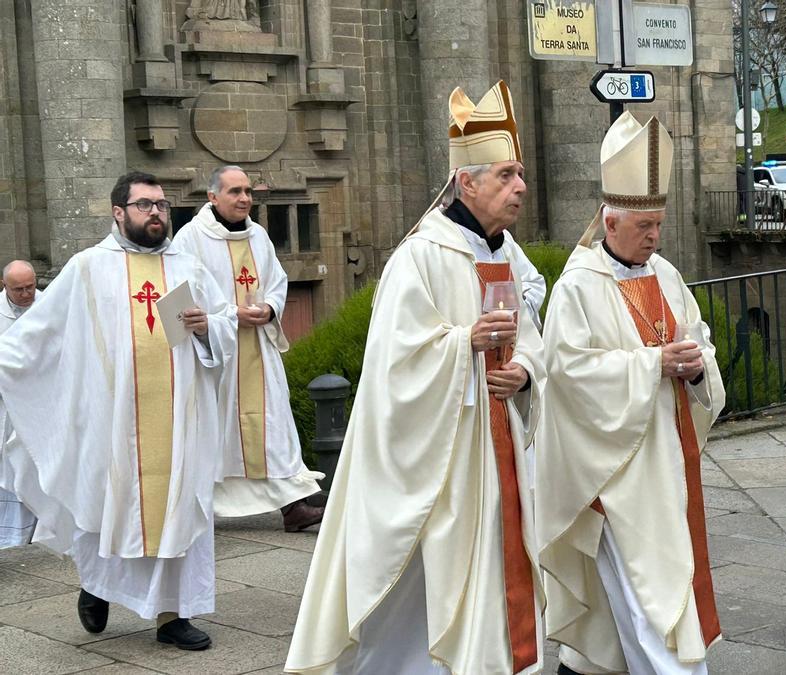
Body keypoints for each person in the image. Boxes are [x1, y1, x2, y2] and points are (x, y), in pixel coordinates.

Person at [285, 81, 546, 675]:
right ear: (467, 184)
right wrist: (463, 344)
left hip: (497, 444)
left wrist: (525, 371)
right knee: (420, 574)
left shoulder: (505, 253)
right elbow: (394, 361)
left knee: (494, 566)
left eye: (520, 175)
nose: (520, 188)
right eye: (507, 175)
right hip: (439, 452)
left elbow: (529, 333)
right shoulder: (420, 255)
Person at [0, 171, 237, 650]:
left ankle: (173, 616)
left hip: (179, 420)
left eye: (162, 205)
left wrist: (207, 327)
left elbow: (224, 322)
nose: (156, 213)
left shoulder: (186, 265)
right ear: (118, 212)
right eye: (144, 204)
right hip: (112, 420)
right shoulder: (89, 267)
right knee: (105, 502)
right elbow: (39, 333)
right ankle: (98, 584)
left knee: (178, 511)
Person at [537, 111, 726, 675]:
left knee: (657, 573)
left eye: (659, 224)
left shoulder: (666, 275)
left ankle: (588, 664)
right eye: (644, 225)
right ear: (610, 221)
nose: (654, 237)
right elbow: (566, 371)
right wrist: (651, 366)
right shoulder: (578, 285)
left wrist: (696, 368)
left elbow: (699, 339)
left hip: (669, 455)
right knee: (648, 581)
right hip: (615, 466)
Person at [172, 166, 325, 532]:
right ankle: (195, 508)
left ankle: (293, 505)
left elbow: (277, 281)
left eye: (248, 191)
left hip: (257, 346)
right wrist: (228, 315)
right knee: (214, 429)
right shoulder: (190, 239)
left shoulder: (258, 236)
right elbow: (178, 295)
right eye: (235, 192)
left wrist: (270, 308)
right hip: (215, 353)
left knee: (273, 424)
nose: (244, 199)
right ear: (212, 197)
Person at [0, 259, 39, 548]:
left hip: (39, 407)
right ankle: (11, 538)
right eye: (19, 289)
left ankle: (39, 534)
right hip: (6, 408)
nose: (27, 294)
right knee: (9, 472)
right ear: (4, 286)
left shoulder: (50, 304)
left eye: (30, 287)